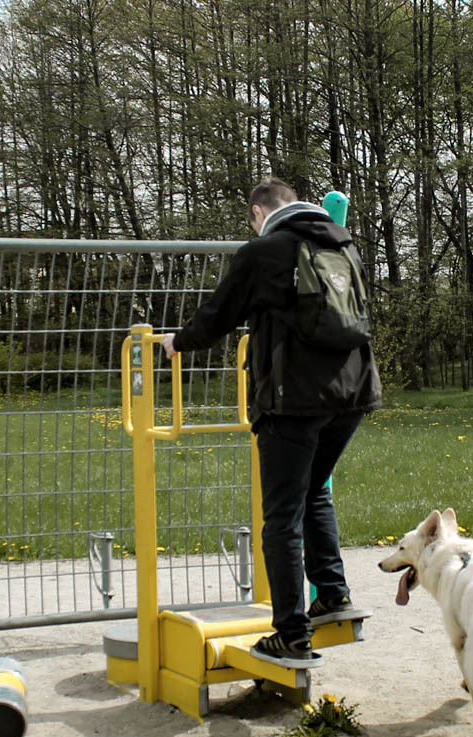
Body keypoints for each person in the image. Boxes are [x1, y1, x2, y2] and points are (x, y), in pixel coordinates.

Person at [159, 178, 382, 667]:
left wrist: (177, 341)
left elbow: (218, 316)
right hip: (354, 394)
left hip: (292, 402)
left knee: (281, 518)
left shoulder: (263, 251)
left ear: (260, 212)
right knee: (315, 488)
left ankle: (291, 634)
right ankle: (333, 595)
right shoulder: (343, 243)